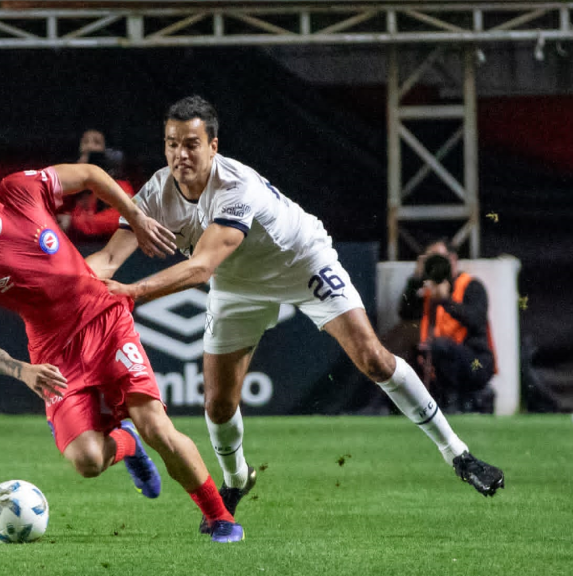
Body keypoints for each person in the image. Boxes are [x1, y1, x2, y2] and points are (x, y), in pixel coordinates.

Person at [86, 95, 505, 533]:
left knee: (374, 359)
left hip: (301, 263)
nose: (180, 154)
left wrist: (131, 293)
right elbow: (109, 259)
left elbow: (201, 267)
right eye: (171, 143)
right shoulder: (156, 191)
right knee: (218, 403)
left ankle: (458, 453)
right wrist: (62, 280)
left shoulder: (235, 186)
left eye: (191, 144)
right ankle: (237, 480)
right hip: (237, 283)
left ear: (214, 146)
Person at [0, 162, 244, 543]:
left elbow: (90, 175)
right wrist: (23, 371)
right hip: (54, 356)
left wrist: (136, 218)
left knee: (156, 426)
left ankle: (218, 516)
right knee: (88, 462)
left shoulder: (20, 190)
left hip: (105, 321)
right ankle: (126, 444)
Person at [399, 240, 497, 414]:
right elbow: (405, 312)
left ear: (452, 259)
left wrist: (446, 301)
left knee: (442, 347)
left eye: (439, 259)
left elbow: (476, 319)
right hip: (436, 361)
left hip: (475, 361)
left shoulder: (471, 286)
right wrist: (416, 278)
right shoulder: (428, 290)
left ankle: (452, 402)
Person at [58, 129, 136, 242]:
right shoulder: (71, 185)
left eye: (96, 142)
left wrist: (74, 222)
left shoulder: (119, 185)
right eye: (85, 142)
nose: (89, 147)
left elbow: (121, 217)